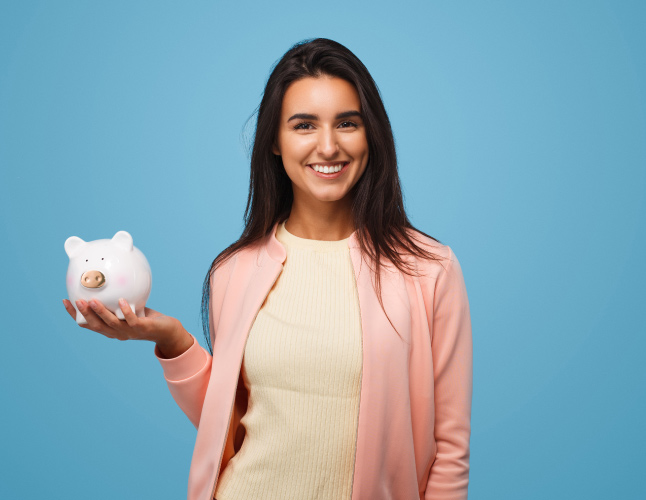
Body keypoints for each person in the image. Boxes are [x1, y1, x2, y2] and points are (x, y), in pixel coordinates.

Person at [62, 37, 473, 500]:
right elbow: (231, 427)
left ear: (370, 134)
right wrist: (173, 341)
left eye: (347, 123)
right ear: (275, 142)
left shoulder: (429, 270)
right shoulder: (234, 271)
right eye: (303, 125)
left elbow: (450, 450)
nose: (328, 145)